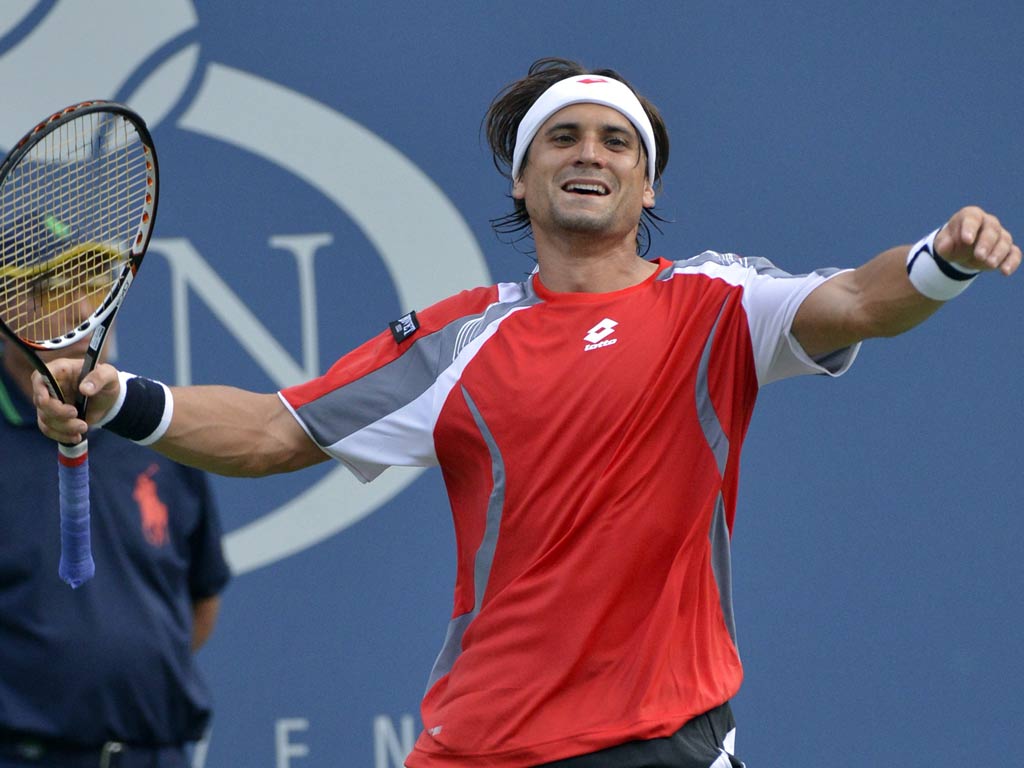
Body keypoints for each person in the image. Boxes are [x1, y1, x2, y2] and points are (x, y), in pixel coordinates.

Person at [32, 57, 1019, 768]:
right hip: (481, 742)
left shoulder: (718, 309)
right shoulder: (456, 341)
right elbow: (272, 431)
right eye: (563, 136)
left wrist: (943, 260)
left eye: (614, 140)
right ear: (522, 175)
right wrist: (116, 395)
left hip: (662, 737)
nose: (589, 153)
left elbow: (856, 301)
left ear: (646, 182)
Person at [1, 214, 231, 768]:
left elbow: (199, 603)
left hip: (160, 756)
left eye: (95, 285)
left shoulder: (159, 428)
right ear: (7, 308)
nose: (88, 312)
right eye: (60, 289)